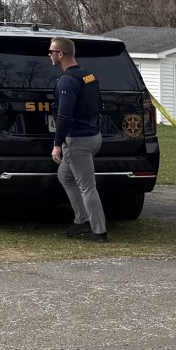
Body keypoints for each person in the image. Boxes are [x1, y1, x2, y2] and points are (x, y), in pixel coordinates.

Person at [49, 37, 107, 242]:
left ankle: (99, 231)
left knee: (87, 186)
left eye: (51, 51)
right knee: (65, 176)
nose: (49, 55)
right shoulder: (88, 76)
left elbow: (64, 116)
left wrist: (57, 145)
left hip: (78, 141)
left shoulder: (67, 81)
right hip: (94, 137)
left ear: (61, 54)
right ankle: (81, 219)